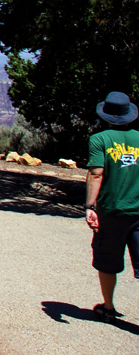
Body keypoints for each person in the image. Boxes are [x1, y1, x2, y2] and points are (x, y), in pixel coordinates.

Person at [85, 91, 139, 323]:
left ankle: (108, 307)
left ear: (105, 114)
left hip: (111, 212)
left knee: (107, 261)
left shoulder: (100, 139)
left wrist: (89, 206)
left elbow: (96, 173)